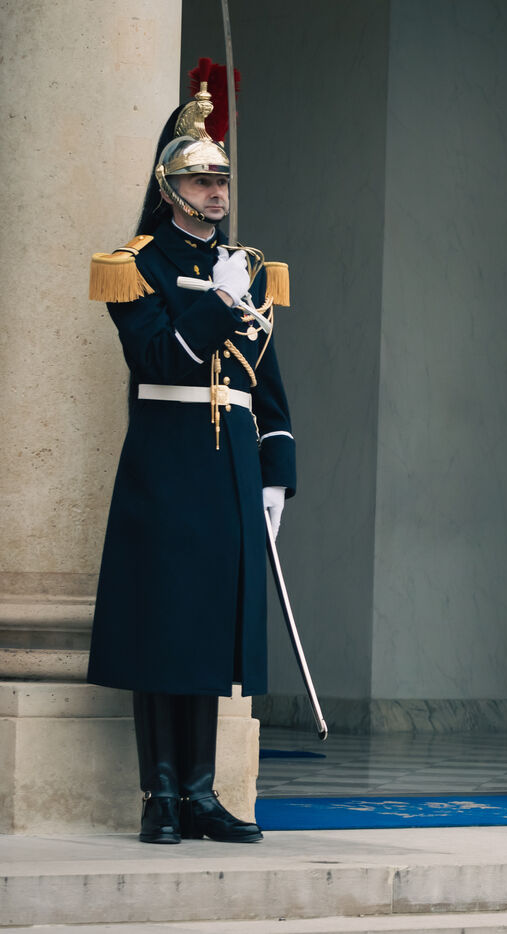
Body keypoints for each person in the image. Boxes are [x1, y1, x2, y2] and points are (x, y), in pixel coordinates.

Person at [86, 81, 295, 845]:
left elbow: (267, 386)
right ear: (169, 188)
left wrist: (277, 470)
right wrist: (215, 303)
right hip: (167, 460)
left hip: (230, 464)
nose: (217, 192)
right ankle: (162, 794)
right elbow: (157, 359)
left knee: (209, 628)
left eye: (222, 179)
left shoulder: (249, 267)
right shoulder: (134, 264)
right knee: (161, 626)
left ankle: (203, 794)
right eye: (202, 179)